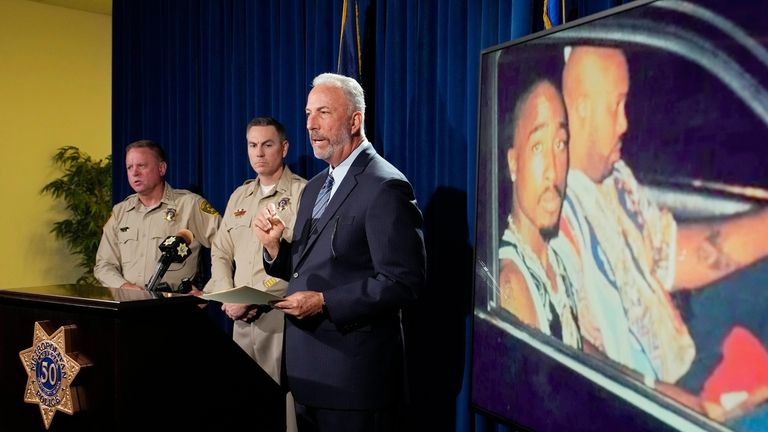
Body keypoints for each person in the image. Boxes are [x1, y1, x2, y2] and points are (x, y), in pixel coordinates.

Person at [559, 45, 768, 410]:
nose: (625, 122)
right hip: (658, 389)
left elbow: (676, 254)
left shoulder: (614, 177)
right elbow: (584, 359)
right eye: (617, 106)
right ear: (583, 110)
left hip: (680, 341)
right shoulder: (558, 216)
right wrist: (692, 408)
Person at [252, 73, 426, 432]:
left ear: (355, 120)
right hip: (307, 377)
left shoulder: (385, 185)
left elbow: (402, 282)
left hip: (354, 384)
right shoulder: (316, 186)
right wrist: (275, 250)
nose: (311, 125)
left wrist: (325, 302)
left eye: (323, 113)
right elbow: (310, 268)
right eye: (307, 113)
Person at [205, 117, 306, 431]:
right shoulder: (239, 196)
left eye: (267, 144)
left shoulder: (304, 193)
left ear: (284, 148)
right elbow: (220, 251)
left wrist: (252, 299)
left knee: (278, 406)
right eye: (252, 145)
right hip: (237, 317)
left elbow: (300, 261)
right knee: (241, 402)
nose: (259, 153)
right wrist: (227, 295)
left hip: (278, 317)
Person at [497, 77, 583, 349]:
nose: (553, 170)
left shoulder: (555, 261)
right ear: (513, 163)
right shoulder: (513, 282)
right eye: (537, 147)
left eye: (560, 144)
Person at [94, 139, 220, 292]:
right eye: (129, 167)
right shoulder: (120, 212)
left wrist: (208, 292)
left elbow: (227, 248)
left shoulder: (189, 204)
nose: (134, 172)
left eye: (141, 166)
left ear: (161, 168)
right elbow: (104, 265)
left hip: (175, 307)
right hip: (131, 308)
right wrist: (124, 287)